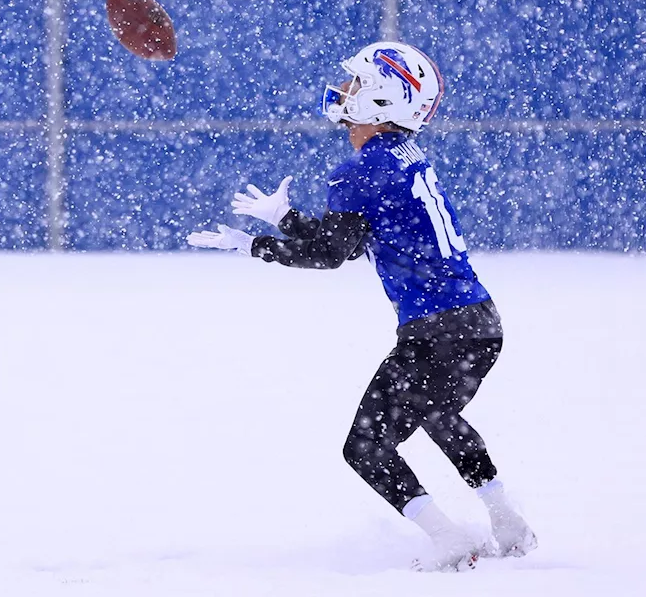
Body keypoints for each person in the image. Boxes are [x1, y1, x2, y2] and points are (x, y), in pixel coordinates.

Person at [187, 41, 536, 570]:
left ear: (383, 98)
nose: (345, 92)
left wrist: (255, 246)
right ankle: (507, 520)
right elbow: (352, 242)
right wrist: (286, 220)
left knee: (365, 448)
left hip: (435, 332)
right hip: (479, 323)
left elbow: (329, 254)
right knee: (439, 414)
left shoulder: (359, 170)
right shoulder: (403, 156)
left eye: (357, 84)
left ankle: (449, 540)